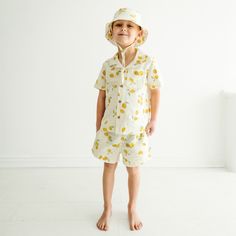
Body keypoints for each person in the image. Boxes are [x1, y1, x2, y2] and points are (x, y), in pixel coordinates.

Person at [91, 7, 162, 231]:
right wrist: (98, 123)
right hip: (110, 128)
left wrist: (153, 120)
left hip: (136, 129)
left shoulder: (148, 62)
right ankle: (107, 207)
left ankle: (132, 207)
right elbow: (101, 95)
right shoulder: (108, 65)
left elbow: (155, 91)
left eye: (129, 25)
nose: (123, 29)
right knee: (108, 166)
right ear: (111, 32)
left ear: (139, 33)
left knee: (134, 168)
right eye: (119, 25)